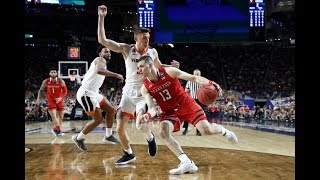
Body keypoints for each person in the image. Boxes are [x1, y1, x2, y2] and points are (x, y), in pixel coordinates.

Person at [97, 5, 180, 165]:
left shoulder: (153, 52)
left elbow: (160, 67)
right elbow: (103, 40)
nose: (147, 40)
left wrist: (172, 67)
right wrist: (101, 18)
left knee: (140, 125)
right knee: (119, 127)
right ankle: (128, 153)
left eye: (148, 38)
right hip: (128, 93)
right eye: (143, 38)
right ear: (136, 38)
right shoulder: (127, 49)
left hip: (144, 94)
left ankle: (150, 138)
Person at [136, 56, 238, 175]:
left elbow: (193, 77)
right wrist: (148, 115)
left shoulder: (170, 71)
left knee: (206, 131)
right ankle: (186, 162)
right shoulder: (145, 88)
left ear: (150, 65)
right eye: (138, 68)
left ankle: (223, 130)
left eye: (141, 66)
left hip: (186, 103)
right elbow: (152, 108)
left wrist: (210, 83)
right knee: (163, 132)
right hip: (170, 111)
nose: (139, 70)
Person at [72, 45, 124, 151]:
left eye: (109, 52)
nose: (108, 53)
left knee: (110, 110)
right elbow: (99, 71)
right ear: (100, 54)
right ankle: (78, 138)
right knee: (98, 120)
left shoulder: (102, 63)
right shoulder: (99, 60)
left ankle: (108, 135)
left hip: (94, 93)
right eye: (106, 52)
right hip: (86, 94)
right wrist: (116, 75)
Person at [36, 68, 68, 137]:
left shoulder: (61, 81)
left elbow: (65, 91)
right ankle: (58, 131)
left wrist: (60, 97)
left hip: (60, 101)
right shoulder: (46, 81)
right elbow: (41, 90)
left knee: (61, 117)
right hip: (51, 101)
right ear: (49, 74)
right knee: (53, 116)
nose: (53, 73)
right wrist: (38, 98)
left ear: (56, 73)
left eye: (54, 72)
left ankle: (55, 129)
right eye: (52, 72)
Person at [183, 69, 205, 136]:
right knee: (187, 114)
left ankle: (198, 131)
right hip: (192, 100)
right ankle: (185, 128)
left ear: (200, 75)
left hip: (200, 100)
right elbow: (186, 91)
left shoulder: (203, 82)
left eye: (198, 74)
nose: (196, 75)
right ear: (193, 74)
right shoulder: (190, 81)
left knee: (199, 116)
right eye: (195, 74)